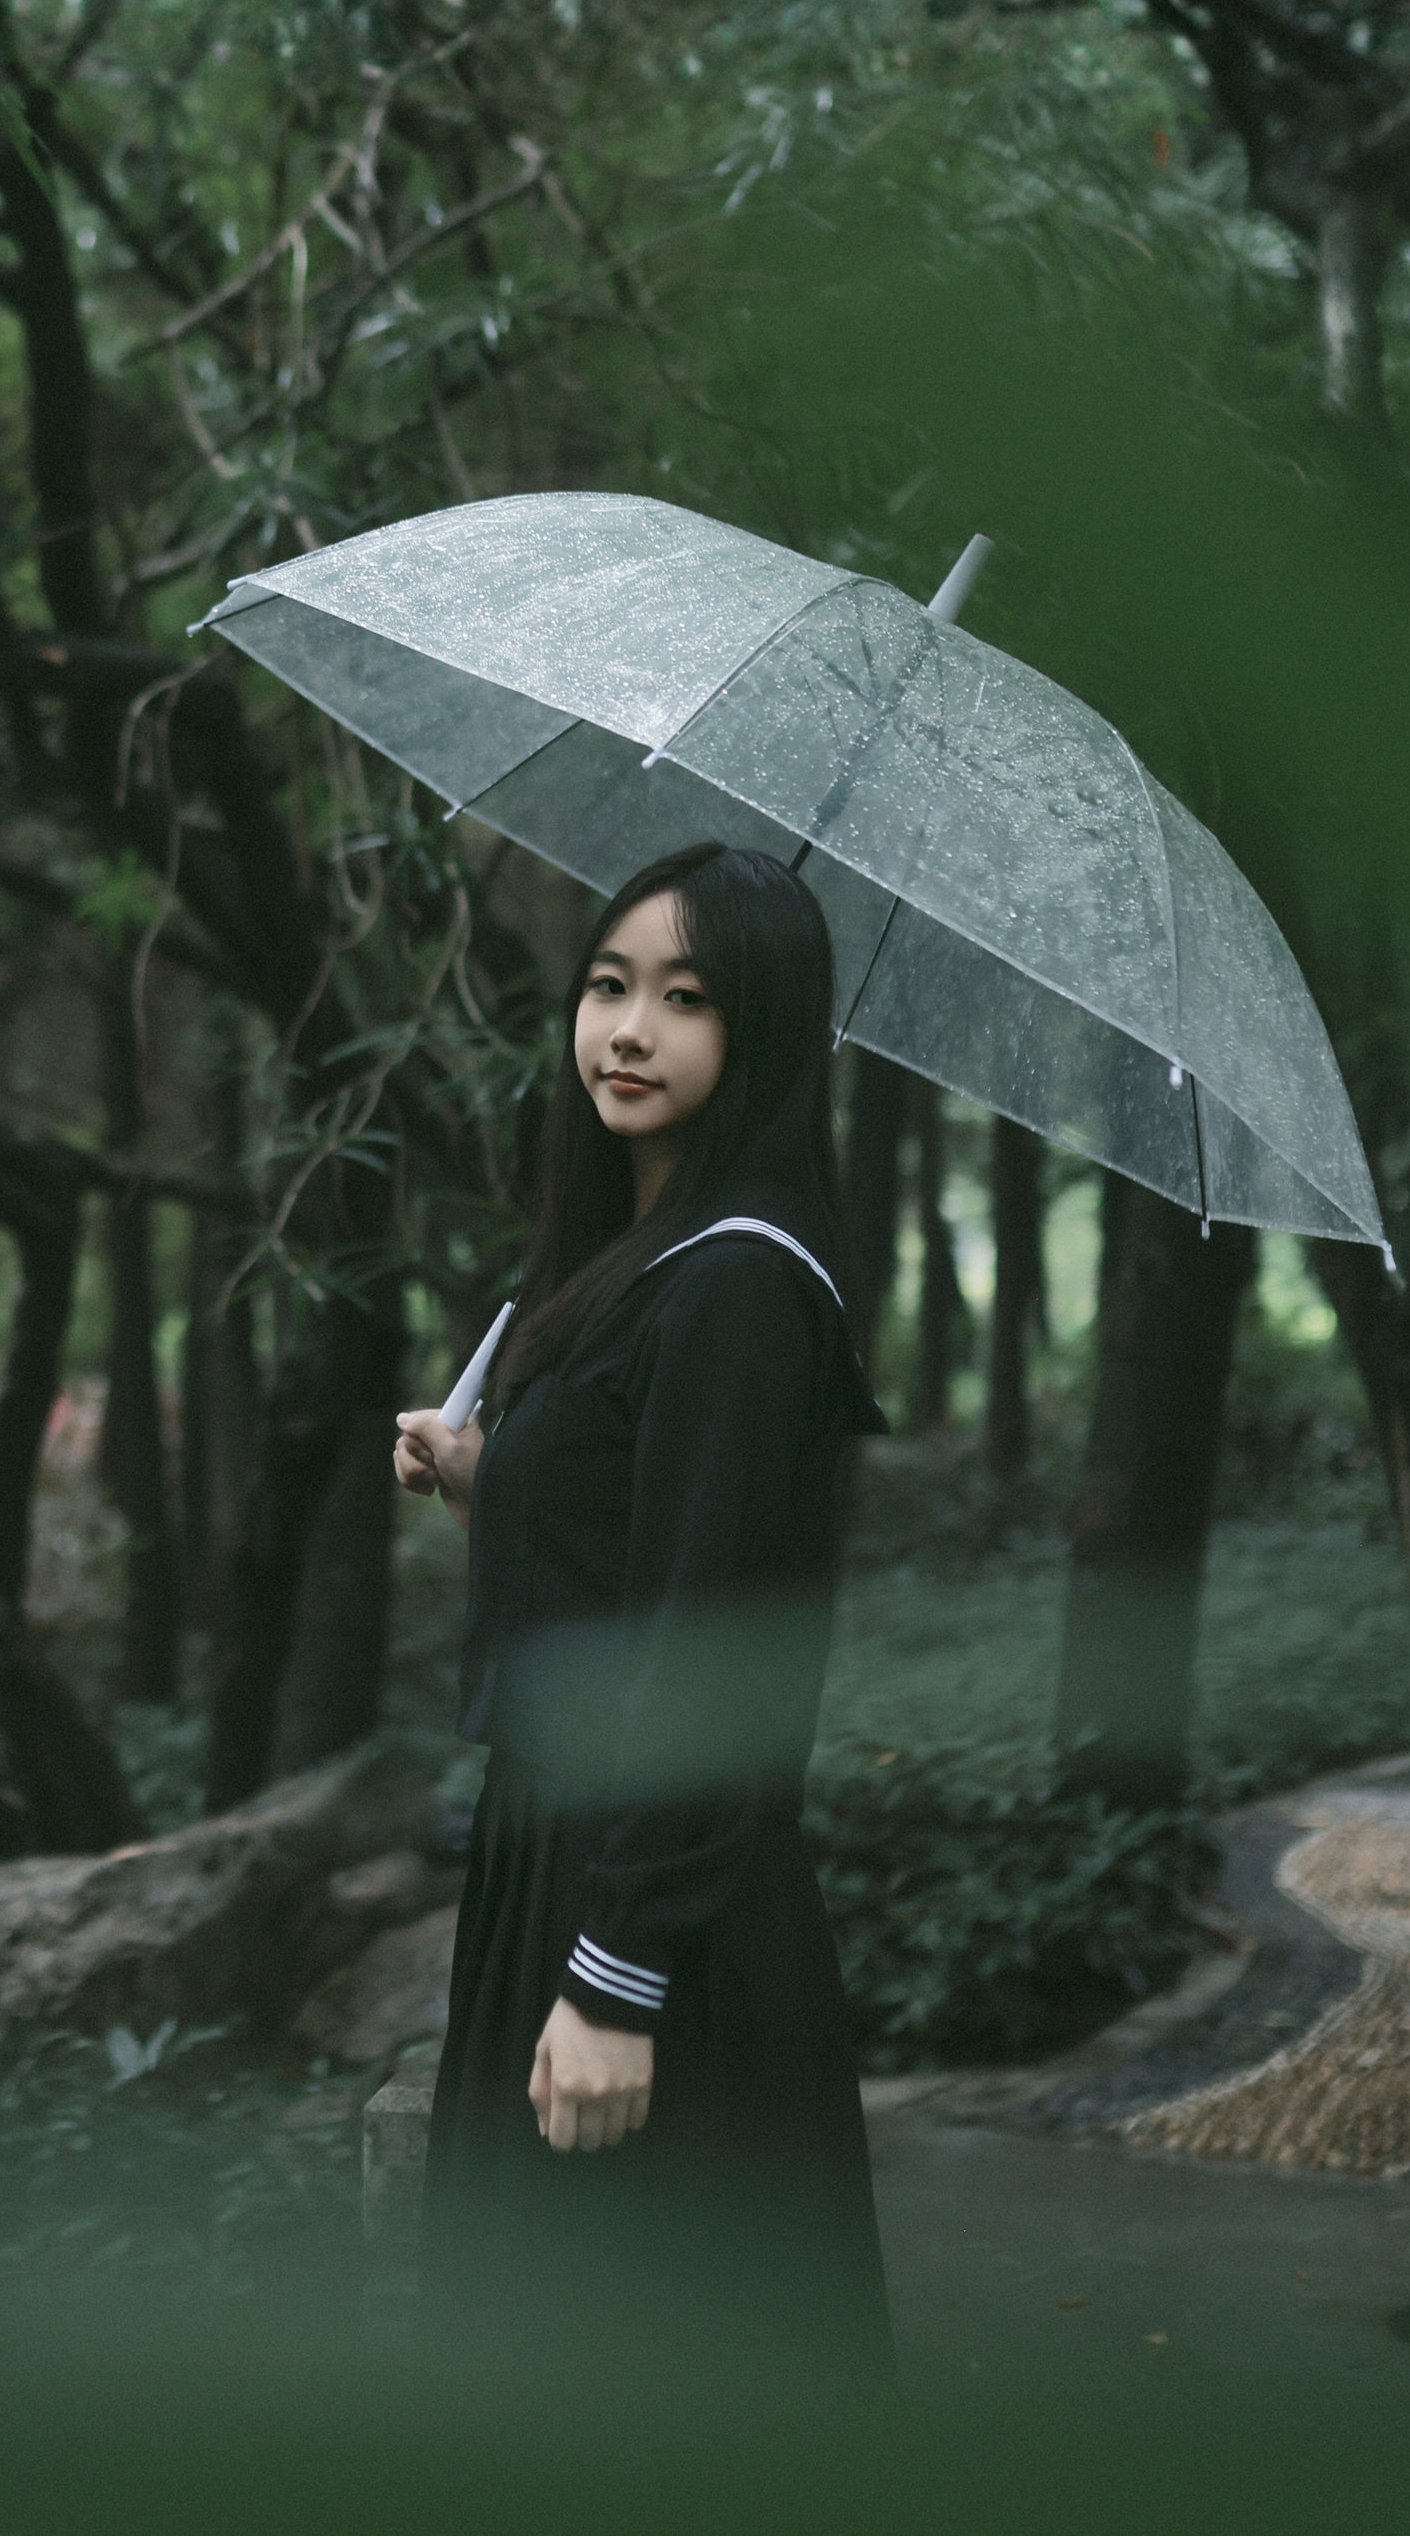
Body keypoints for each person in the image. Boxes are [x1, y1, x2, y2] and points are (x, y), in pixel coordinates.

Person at [392, 839, 891, 2364]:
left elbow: (705, 1652)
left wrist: (617, 1982)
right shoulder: (649, 1264)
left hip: (656, 1894)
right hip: (574, 1851)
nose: (627, 1029)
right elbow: (647, 1555)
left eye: (687, 998)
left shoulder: (741, 1282)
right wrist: (501, 1484)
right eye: (609, 985)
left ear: (767, 1035)